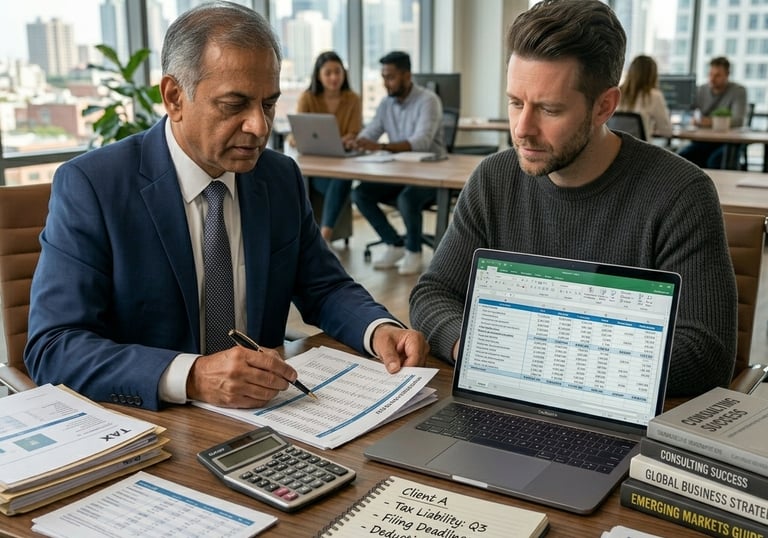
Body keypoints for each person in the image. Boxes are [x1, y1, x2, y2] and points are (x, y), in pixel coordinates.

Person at [24, 1, 428, 412]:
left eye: (268, 104)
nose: (259, 126)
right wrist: (194, 376)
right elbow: (53, 346)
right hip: (153, 421)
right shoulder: (94, 186)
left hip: (266, 416)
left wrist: (377, 329)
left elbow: (325, 287)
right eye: (234, 105)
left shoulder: (279, 177)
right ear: (174, 97)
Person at [409, 0, 737, 398]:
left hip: (617, 419)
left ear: (604, 106)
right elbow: (432, 295)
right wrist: (478, 348)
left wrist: (530, 357)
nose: (522, 129)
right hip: (501, 402)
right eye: (516, 102)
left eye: (549, 109)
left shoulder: (680, 193)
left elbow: (706, 354)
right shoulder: (493, 180)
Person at [350, 51, 445, 276]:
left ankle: (414, 250)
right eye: (384, 77)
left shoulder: (428, 100)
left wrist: (381, 146)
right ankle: (394, 244)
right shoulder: (386, 104)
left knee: (407, 198)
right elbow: (372, 131)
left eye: (391, 77)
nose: (386, 83)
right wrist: (356, 141)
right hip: (400, 172)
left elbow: (421, 142)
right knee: (360, 194)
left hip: (431, 173)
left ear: (407, 76)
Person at [293, 51, 362, 243]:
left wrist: (347, 140)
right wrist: (297, 139)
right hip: (316, 167)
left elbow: (354, 132)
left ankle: (323, 239)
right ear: (318, 76)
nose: (334, 77)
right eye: (328, 73)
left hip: (342, 163)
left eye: (338, 72)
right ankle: (324, 240)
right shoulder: (308, 98)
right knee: (342, 181)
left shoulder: (353, 99)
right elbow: (298, 131)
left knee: (342, 178)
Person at [678, 56, 748, 169]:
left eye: (717, 75)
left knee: (715, 161)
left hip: (727, 142)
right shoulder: (701, 89)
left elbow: (738, 120)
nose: (712, 78)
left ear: (727, 75)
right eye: (710, 74)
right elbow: (686, 112)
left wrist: (709, 122)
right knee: (681, 158)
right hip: (703, 140)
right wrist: (692, 119)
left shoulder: (738, 91)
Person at [617, 54, 673, 139]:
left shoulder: (617, 93)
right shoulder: (654, 96)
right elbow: (667, 131)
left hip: (616, 146)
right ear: (652, 75)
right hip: (640, 147)